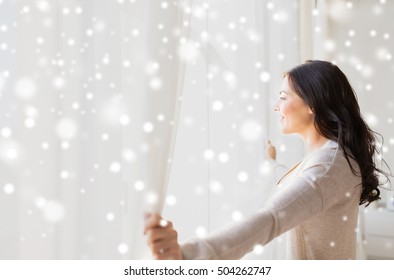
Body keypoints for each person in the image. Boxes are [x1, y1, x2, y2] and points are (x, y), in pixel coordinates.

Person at [144, 60, 390, 260]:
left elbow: (272, 218)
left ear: (312, 105)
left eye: (283, 97)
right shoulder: (329, 159)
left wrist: (188, 257)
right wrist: (272, 162)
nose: (276, 106)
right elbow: (301, 191)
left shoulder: (329, 165)